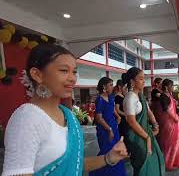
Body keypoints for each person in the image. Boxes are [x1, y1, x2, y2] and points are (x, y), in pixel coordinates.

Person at [2, 44, 128, 176]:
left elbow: (75, 164)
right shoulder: (26, 119)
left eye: (74, 71)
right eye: (64, 70)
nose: (72, 78)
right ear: (37, 75)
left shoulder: (68, 115)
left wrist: (109, 158)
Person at [122, 67, 165, 176]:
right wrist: (147, 137)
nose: (143, 81)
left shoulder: (140, 95)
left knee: (154, 159)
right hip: (137, 136)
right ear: (132, 81)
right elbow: (131, 121)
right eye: (140, 79)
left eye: (143, 79)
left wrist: (155, 124)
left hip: (146, 132)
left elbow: (148, 111)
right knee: (143, 163)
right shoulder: (130, 97)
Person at [89, 77, 127, 176]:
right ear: (104, 86)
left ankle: (117, 172)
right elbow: (98, 117)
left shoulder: (110, 97)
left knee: (116, 149)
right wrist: (109, 129)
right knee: (107, 150)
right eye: (110, 85)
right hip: (105, 129)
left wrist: (118, 116)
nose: (112, 87)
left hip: (114, 126)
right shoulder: (100, 99)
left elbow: (112, 108)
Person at [157, 79, 179, 171]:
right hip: (168, 122)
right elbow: (166, 109)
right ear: (166, 87)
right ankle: (168, 163)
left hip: (175, 121)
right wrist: (174, 118)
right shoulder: (163, 96)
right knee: (170, 143)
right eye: (171, 85)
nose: (173, 87)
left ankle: (175, 161)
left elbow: (176, 110)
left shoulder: (170, 96)